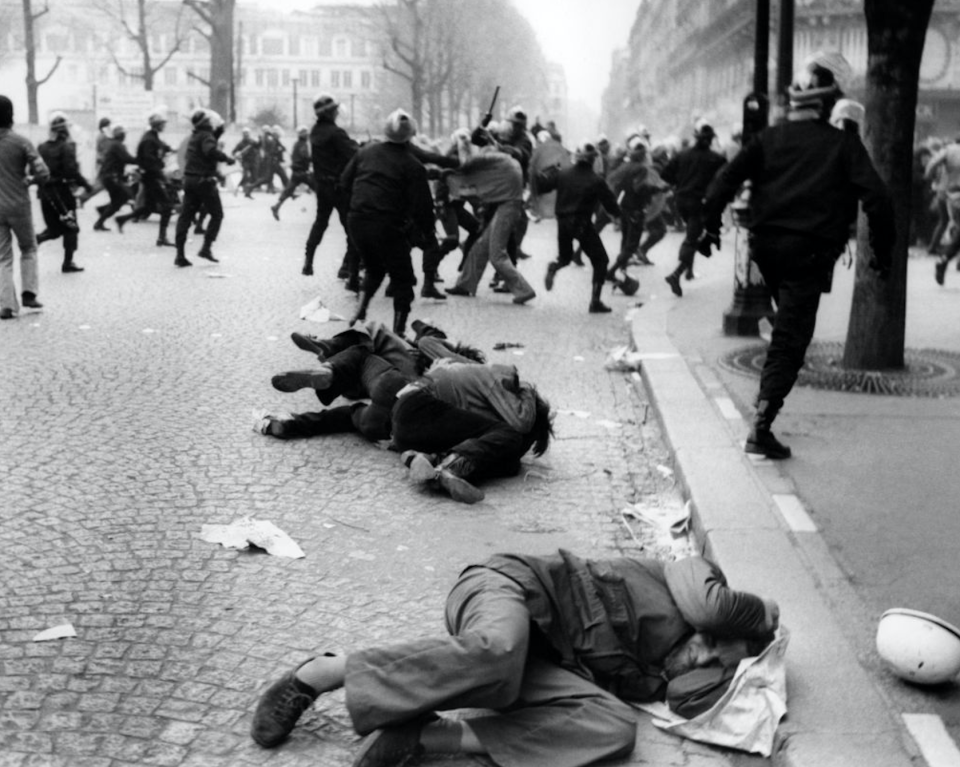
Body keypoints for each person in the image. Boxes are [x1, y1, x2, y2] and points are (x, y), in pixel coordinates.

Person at [250, 549, 779, 767]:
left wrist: (721, 669)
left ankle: (421, 738)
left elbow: (689, 702)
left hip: (539, 663)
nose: (701, 651)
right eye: (709, 639)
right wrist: (762, 619)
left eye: (713, 659)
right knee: (499, 652)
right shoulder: (691, 575)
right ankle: (324, 672)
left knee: (615, 727)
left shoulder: (661, 676)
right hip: (508, 590)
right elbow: (709, 606)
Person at [701, 51, 894, 460]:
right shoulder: (843, 145)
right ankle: (762, 425)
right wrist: (883, 251)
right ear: (829, 100)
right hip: (808, 255)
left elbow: (724, 179)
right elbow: (878, 198)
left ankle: (780, 334)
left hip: (766, 250)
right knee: (791, 337)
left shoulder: (768, 138)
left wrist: (709, 226)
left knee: (787, 319)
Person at [341, 109, 437, 336]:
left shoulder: (365, 152)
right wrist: (427, 234)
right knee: (403, 279)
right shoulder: (413, 165)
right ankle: (398, 332)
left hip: (357, 222)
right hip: (387, 225)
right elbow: (423, 206)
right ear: (410, 135)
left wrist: (355, 209)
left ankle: (362, 307)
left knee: (375, 267)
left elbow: (344, 183)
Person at [443, 129, 537, 304]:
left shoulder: (488, 155)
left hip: (507, 204)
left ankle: (524, 290)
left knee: (497, 254)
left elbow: (466, 165)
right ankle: (465, 284)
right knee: (481, 247)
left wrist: (460, 147)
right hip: (508, 203)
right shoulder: (500, 153)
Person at [540, 141, 622, 313]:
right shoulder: (596, 180)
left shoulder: (563, 174)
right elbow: (610, 204)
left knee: (565, 257)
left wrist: (550, 169)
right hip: (582, 223)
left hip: (562, 222)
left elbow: (543, 186)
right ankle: (595, 301)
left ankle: (553, 267)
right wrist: (620, 216)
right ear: (593, 160)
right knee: (601, 260)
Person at [661, 119, 727, 296]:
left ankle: (688, 271)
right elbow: (724, 180)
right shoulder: (716, 159)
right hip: (699, 203)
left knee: (693, 233)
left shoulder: (682, 155)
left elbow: (665, 173)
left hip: (681, 201)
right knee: (693, 238)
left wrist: (680, 183)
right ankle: (676, 274)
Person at [0, 95, 48, 320]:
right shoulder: (21, 142)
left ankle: (6, 305)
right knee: (28, 248)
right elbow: (43, 172)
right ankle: (29, 293)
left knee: (2, 257)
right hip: (19, 204)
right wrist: (29, 180)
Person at [303, 94, 359, 281]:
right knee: (351, 228)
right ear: (330, 113)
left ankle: (308, 261)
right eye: (334, 110)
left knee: (320, 223)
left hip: (322, 186)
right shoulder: (336, 133)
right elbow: (353, 153)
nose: (337, 112)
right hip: (339, 187)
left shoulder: (314, 132)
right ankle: (349, 270)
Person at [173, 109, 235, 267]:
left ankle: (180, 255)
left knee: (185, 217)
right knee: (217, 214)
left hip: (190, 180)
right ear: (205, 122)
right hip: (204, 181)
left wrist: (220, 128)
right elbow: (210, 150)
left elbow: (211, 139)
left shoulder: (196, 135)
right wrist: (227, 158)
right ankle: (206, 248)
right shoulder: (206, 136)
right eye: (208, 120)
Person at [36, 112, 92, 274]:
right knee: (71, 228)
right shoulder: (66, 147)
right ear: (64, 130)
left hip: (45, 193)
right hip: (62, 193)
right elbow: (71, 171)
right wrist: (87, 185)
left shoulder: (42, 147)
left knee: (54, 228)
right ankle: (68, 262)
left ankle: (36, 241)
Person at [116, 111, 175, 247]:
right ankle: (162, 237)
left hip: (151, 176)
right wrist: (161, 176)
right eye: (162, 124)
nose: (163, 126)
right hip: (151, 177)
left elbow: (161, 146)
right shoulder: (149, 139)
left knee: (148, 206)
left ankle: (122, 219)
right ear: (157, 124)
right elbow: (149, 160)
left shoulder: (152, 137)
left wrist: (171, 149)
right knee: (167, 206)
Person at [93, 125, 137, 231]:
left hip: (109, 177)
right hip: (111, 177)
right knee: (125, 196)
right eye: (123, 134)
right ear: (121, 135)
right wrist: (142, 160)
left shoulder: (115, 145)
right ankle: (101, 213)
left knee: (117, 200)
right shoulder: (117, 145)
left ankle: (101, 214)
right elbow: (128, 158)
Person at [271, 125, 313, 220]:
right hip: (302, 171)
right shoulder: (303, 144)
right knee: (317, 187)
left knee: (288, 190)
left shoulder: (297, 143)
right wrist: (313, 160)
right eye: (305, 133)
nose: (307, 135)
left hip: (296, 171)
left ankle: (276, 206)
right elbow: (304, 156)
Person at [233, 127, 261, 199]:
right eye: (245, 133)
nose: (246, 135)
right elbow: (234, 152)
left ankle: (248, 192)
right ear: (243, 134)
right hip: (246, 162)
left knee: (254, 178)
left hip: (253, 161)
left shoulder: (252, 142)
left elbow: (258, 146)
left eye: (247, 133)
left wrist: (260, 140)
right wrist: (238, 155)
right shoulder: (240, 144)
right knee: (245, 176)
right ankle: (237, 187)